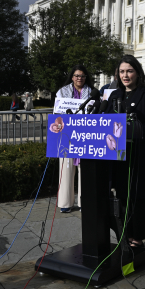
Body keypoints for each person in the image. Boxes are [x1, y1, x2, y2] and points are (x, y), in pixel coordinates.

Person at [104, 55, 145, 248]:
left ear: (137, 72)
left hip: (138, 154)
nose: (125, 75)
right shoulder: (114, 95)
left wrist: (135, 129)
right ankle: (123, 234)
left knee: (135, 197)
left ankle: (136, 237)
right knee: (119, 195)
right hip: (117, 156)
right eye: (121, 71)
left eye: (129, 71)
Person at [56, 65, 94, 213]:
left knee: (84, 170)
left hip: (85, 135)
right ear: (72, 77)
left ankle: (84, 202)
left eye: (83, 76)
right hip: (67, 135)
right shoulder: (62, 92)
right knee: (65, 169)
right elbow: (57, 112)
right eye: (77, 75)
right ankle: (65, 203)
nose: (80, 78)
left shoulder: (92, 92)